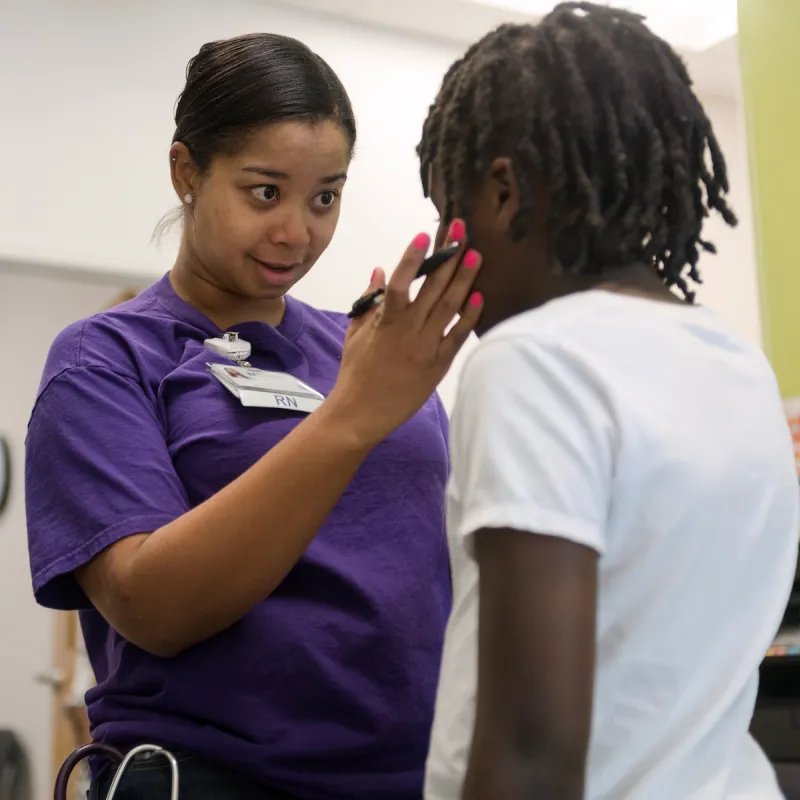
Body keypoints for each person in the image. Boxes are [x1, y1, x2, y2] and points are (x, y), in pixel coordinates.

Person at [25, 33, 483, 800]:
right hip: (215, 779)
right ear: (187, 172)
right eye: (265, 192)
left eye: (325, 197)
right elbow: (151, 606)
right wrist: (348, 419)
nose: (297, 232)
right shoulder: (107, 359)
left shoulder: (362, 348)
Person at [417, 4, 800, 799]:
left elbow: (531, 750)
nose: (443, 252)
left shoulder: (532, 362)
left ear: (504, 192)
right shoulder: (739, 364)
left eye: (444, 211)